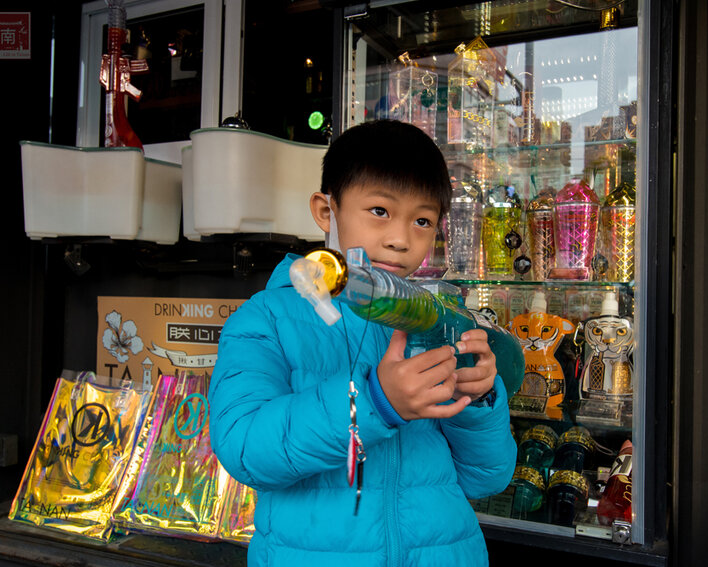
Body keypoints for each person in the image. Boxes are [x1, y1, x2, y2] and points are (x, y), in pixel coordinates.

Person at [209, 120, 517, 567]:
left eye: (423, 220)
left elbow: (484, 478)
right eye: (379, 211)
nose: (400, 239)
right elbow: (245, 449)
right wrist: (374, 402)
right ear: (325, 210)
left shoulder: (436, 321)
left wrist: (478, 397)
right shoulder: (267, 319)